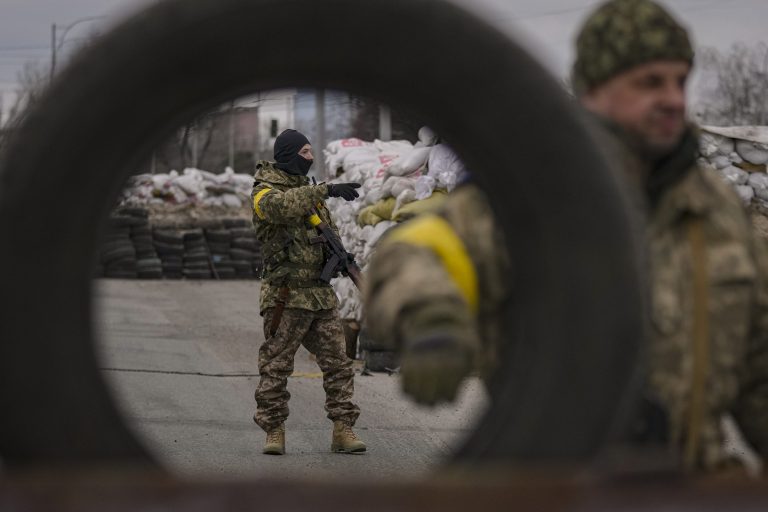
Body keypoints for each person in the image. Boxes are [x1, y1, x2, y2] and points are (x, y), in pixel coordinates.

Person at [364, 0, 768, 473]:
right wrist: (430, 313)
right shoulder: (535, 193)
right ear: (593, 90)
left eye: (680, 81)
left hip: (692, 486)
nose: (674, 99)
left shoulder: (713, 206)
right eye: (649, 82)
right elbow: (415, 251)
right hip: (557, 487)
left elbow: (759, 363)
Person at [251, 128, 366, 455]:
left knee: (339, 365)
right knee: (275, 366)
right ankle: (274, 431)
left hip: (319, 296)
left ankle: (343, 430)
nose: (310, 157)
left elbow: (323, 236)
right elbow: (280, 209)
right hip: (285, 298)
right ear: (287, 154)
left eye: (311, 152)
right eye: (304, 152)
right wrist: (325, 189)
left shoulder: (310, 192)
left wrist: (341, 258)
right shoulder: (264, 190)